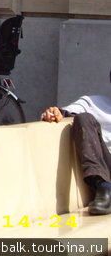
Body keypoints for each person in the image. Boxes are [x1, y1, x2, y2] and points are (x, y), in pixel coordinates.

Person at [42, 70, 111, 215]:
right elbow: (63, 113)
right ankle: (104, 187)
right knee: (83, 118)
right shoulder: (94, 103)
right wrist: (54, 113)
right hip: (106, 170)